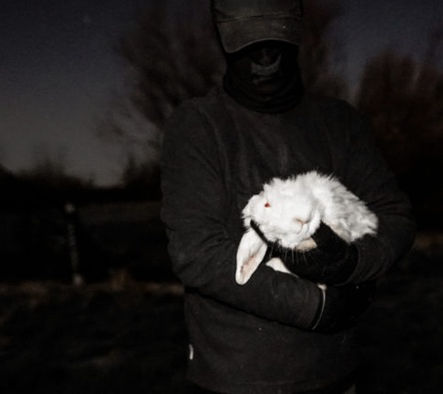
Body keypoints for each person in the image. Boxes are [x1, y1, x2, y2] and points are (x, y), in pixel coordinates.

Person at [160, 0, 416, 392]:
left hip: (335, 368)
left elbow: (394, 215)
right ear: (223, 41)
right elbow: (197, 252)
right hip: (239, 376)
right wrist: (316, 307)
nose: (265, 60)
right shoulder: (197, 126)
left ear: (297, 37)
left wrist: (353, 265)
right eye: (248, 46)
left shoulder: (338, 122)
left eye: (275, 43)